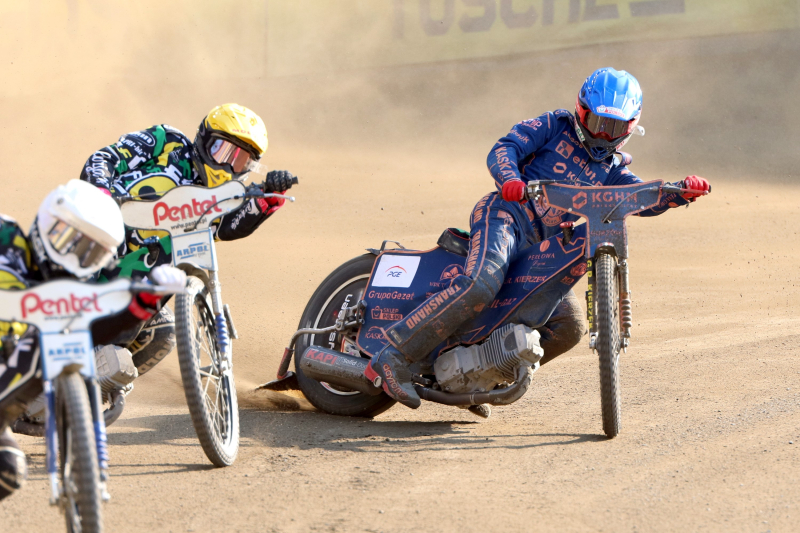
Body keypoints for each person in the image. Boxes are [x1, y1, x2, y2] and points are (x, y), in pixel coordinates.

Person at [365, 67, 710, 408]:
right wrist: (510, 179)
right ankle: (392, 356)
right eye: (597, 124)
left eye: (615, 128)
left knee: (569, 327)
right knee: (482, 283)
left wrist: (679, 192)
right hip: (504, 216)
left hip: (539, 250)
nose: (604, 136)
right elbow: (504, 148)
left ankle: (480, 377)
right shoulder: (552, 126)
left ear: (631, 128)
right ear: (581, 111)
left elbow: (639, 199)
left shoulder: (613, 170)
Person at [0, 180, 186, 500]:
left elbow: (95, 331)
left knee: (7, 473)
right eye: (67, 239)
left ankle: (90, 458)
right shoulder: (6, 237)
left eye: (91, 252)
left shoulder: (75, 293)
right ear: (46, 221)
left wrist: (147, 302)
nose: (74, 258)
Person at [79, 103, 296, 375]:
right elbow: (103, 159)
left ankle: (96, 384)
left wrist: (268, 196)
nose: (228, 164)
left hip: (133, 278)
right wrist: (103, 196)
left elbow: (229, 227)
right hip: (96, 236)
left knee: (163, 333)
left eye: (239, 160)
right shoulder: (167, 141)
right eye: (222, 150)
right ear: (203, 140)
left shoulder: (225, 199)